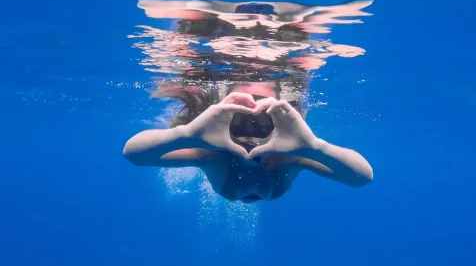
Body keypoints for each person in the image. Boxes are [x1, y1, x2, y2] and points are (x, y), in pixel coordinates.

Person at [123, 87, 373, 203]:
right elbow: (134, 153)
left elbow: (362, 176)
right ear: (223, 116)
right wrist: (187, 134)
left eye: (263, 117)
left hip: (235, 187)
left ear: (279, 118)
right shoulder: (212, 154)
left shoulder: (292, 154)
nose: (251, 131)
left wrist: (314, 146)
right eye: (240, 117)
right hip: (231, 186)